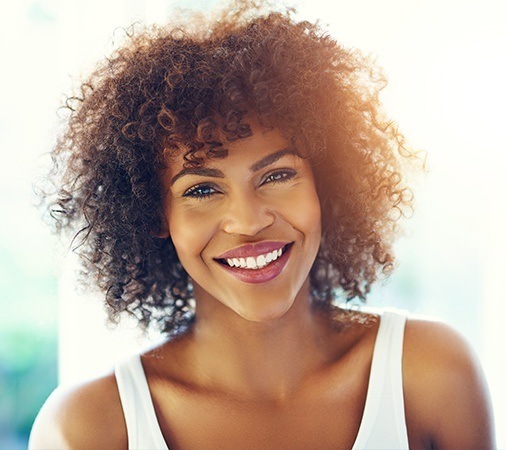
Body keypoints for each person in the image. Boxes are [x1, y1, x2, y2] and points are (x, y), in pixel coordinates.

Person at [29, 0, 495, 448]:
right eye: (202, 190)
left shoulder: (431, 375)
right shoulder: (88, 430)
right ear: (154, 214)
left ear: (326, 183)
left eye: (277, 175)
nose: (248, 222)